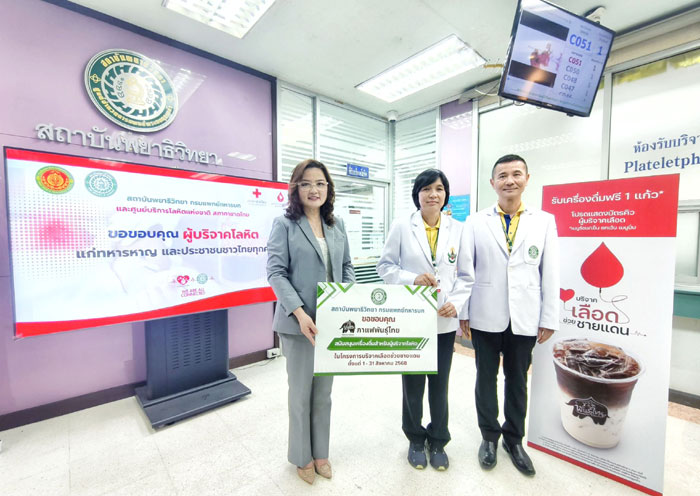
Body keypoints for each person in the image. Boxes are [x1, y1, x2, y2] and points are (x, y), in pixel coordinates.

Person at [460, 154, 559, 477]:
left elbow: (551, 272)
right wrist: (463, 312)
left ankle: (514, 440)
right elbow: (466, 271)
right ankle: (489, 437)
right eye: (502, 176)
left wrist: (549, 317)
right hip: (485, 314)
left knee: (517, 381)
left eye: (516, 174)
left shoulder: (544, 221)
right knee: (485, 379)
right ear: (493, 183)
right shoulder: (475, 222)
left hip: (525, 317)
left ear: (527, 179)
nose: (509, 181)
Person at [377, 169, 473, 471]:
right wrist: (412, 279)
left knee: (440, 384)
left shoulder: (458, 229)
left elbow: (466, 275)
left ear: (446, 195)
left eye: (439, 189)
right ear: (417, 194)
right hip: (411, 319)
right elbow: (385, 267)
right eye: (427, 189)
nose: (433, 194)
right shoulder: (402, 226)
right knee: (413, 384)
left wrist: (456, 303)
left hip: (444, 321)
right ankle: (415, 438)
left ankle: (439, 439)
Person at [266, 159, 355, 484]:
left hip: (331, 323)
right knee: (300, 393)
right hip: (298, 325)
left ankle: (321, 453)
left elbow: (347, 267)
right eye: (306, 183)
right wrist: (300, 313)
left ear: (328, 188)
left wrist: (345, 300)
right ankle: (301, 456)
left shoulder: (337, 224)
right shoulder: (284, 224)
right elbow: (276, 273)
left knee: (323, 394)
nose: (314, 189)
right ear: (296, 188)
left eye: (320, 183)